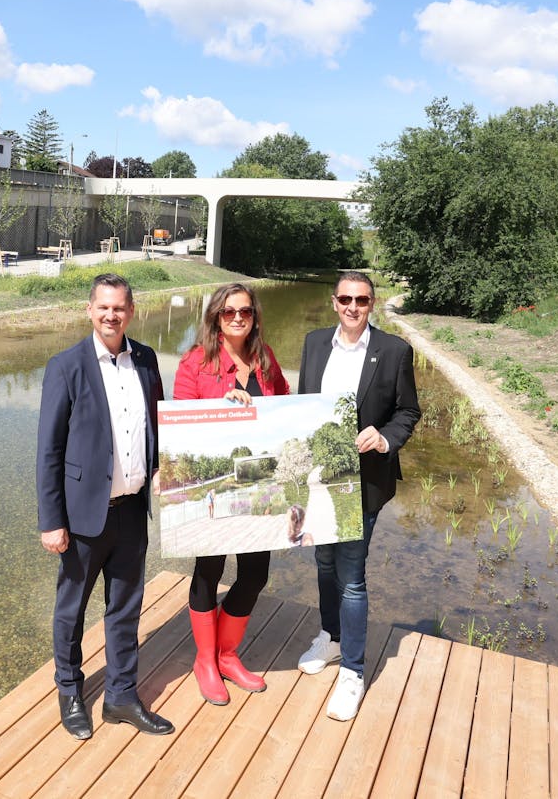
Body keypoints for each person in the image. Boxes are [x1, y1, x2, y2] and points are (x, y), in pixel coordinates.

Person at [36, 273, 174, 741]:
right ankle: (70, 690)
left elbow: (158, 425)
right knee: (71, 610)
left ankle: (120, 696)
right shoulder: (66, 366)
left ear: (132, 311)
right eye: (103, 307)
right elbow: (49, 451)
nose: (112, 315)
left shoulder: (148, 360)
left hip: (133, 510)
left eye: (120, 308)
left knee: (126, 609)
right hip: (82, 515)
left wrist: (159, 469)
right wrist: (51, 521)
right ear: (89, 310)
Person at [295, 270, 421, 721]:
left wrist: (384, 438)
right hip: (318, 478)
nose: (352, 307)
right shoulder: (313, 343)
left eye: (362, 301)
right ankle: (330, 637)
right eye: (345, 299)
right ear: (334, 302)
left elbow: (408, 410)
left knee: (351, 575)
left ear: (373, 304)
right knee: (323, 561)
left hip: (363, 481)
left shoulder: (393, 351)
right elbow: (301, 405)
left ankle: (352, 670)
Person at [173, 282, 291, 706]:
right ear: (215, 318)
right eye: (228, 312)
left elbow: (283, 408)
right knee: (208, 570)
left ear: (254, 316)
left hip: (259, 483)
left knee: (256, 574)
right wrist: (221, 408)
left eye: (244, 310)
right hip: (221, 480)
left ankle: (227, 654)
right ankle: (205, 660)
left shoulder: (266, 359)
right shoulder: (195, 362)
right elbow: (180, 423)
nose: (237, 317)